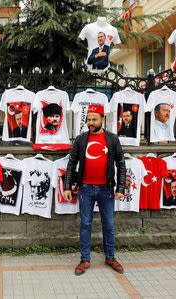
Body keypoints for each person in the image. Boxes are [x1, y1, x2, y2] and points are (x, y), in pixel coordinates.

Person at [63, 104, 126, 276]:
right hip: (85, 189)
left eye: (94, 119)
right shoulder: (81, 139)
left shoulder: (112, 139)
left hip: (106, 189)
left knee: (109, 225)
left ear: (102, 119)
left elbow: (121, 164)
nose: (90, 122)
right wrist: (67, 186)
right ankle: (85, 259)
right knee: (85, 224)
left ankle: (110, 257)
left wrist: (120, 187)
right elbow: (71, 163)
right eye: (88, 119)